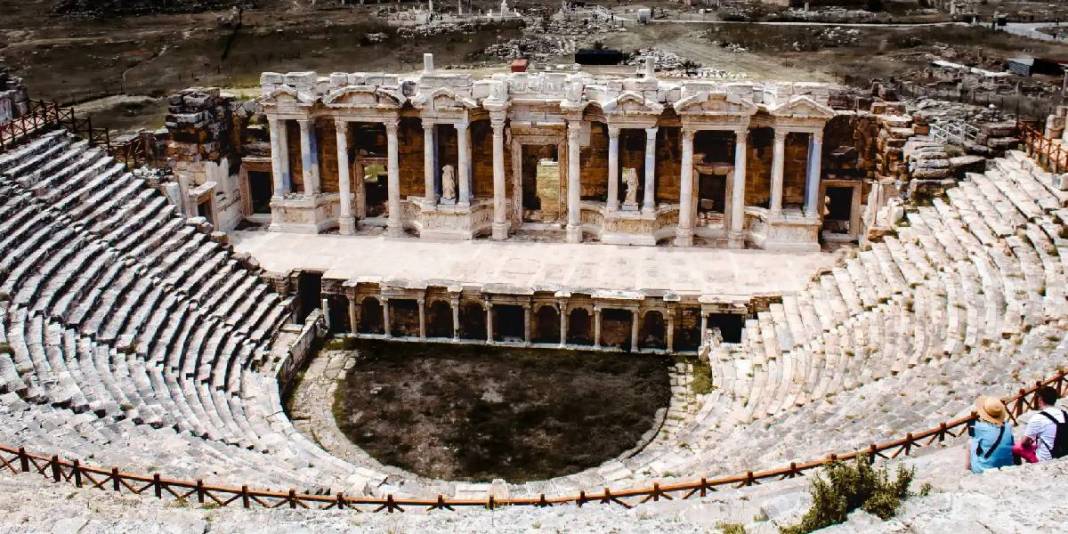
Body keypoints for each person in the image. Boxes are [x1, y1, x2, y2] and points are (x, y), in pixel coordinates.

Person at [1013, 386, 1066, 463]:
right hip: (1062, 453)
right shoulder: (1064, 414)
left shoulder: (1038, 418)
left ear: (1040, 399)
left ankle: (1019, 468)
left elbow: (1024, 442)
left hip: (1045, 458)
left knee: (1017, 447)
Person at [966, 395, 1015, 474]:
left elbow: (971, 431)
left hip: (985, 469)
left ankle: (967, 470)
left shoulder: (978, 427)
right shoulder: (1008, 426)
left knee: (970, 442)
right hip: (1007, 465)